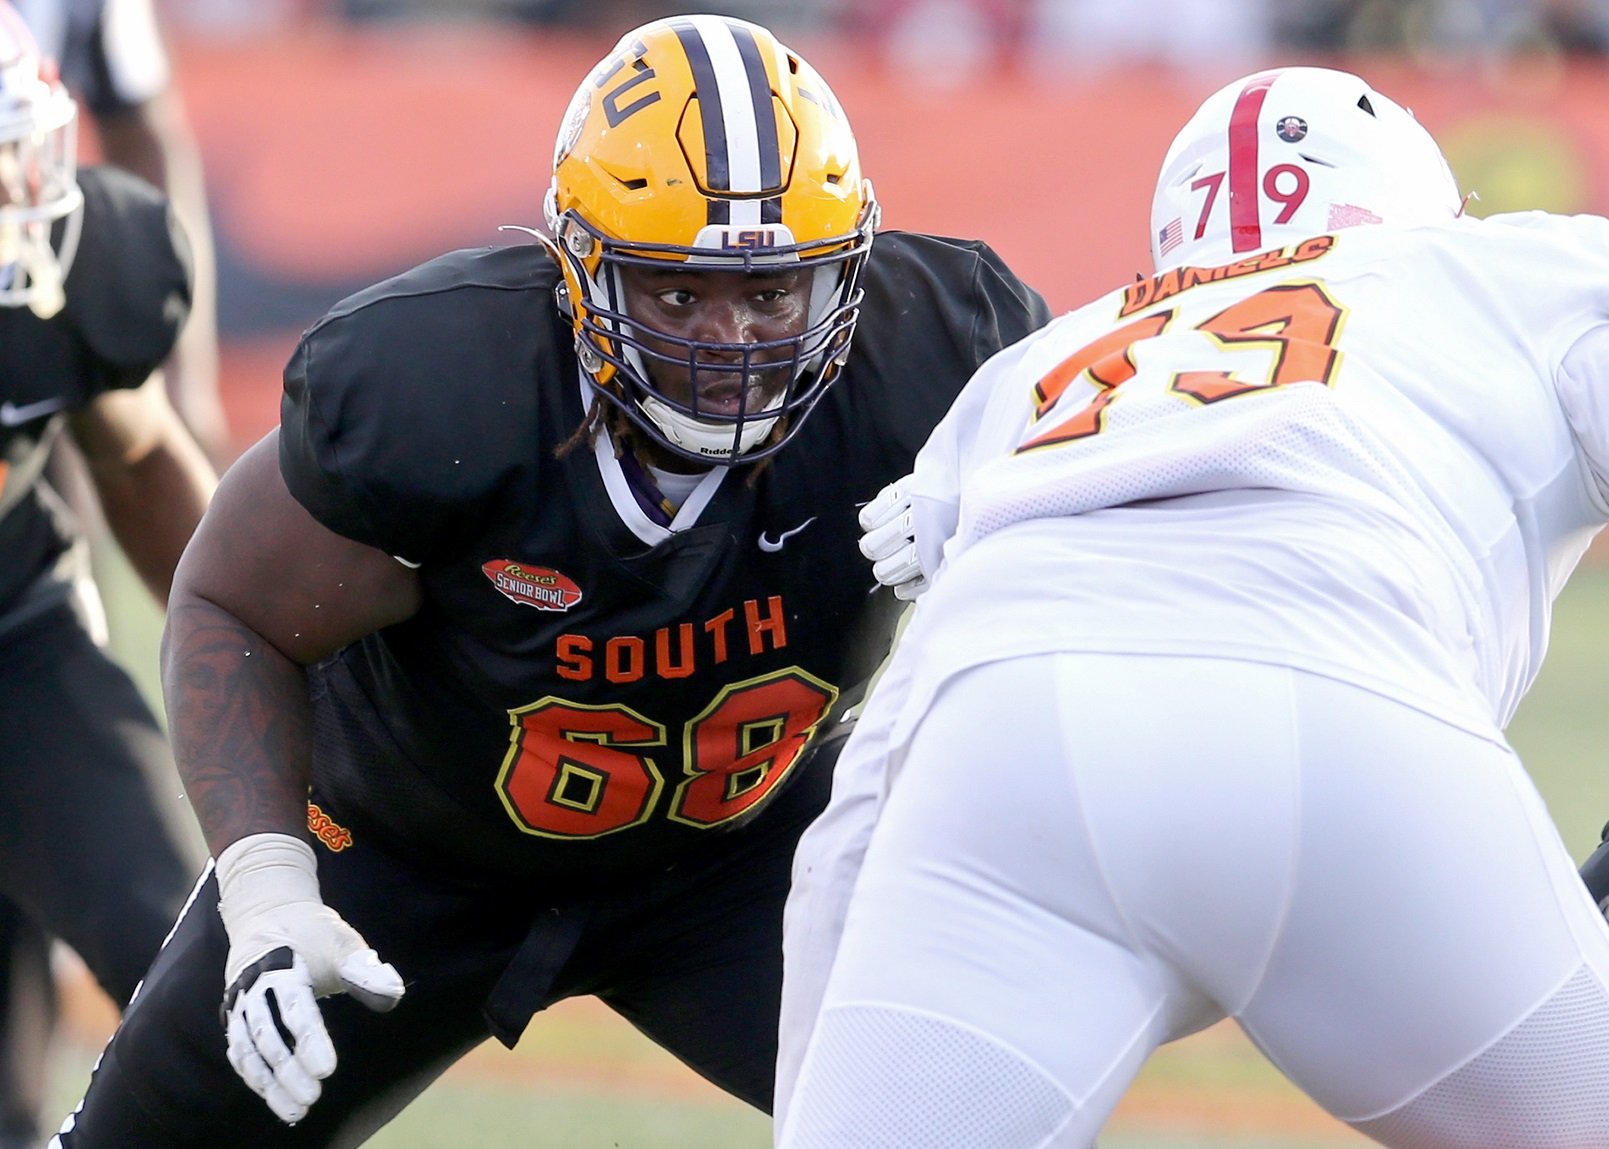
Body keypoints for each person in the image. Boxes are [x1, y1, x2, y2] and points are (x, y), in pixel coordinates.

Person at [50, 14, 1049, 1146]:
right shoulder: (442, 388)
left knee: (973, 1122)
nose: (731, 343)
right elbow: (231, 603)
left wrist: (1015, 528)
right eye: (676, 294)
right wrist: (271, 891)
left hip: (740, 865)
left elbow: (1121, 548)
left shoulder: (942, 361)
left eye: (772, 292)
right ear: (578, 264)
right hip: (404, 862)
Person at [776, 66, 1609, 1149]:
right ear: (1424, 204)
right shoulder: (1515, 269)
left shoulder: (1033, 368)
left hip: (1004, 744)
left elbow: (871, 791)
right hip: (1344, 712)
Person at [0, 7, 213, 1149]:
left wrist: (276, 653)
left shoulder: (64, 280)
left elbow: (135, 455)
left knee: (195, 981)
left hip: (12, 637)